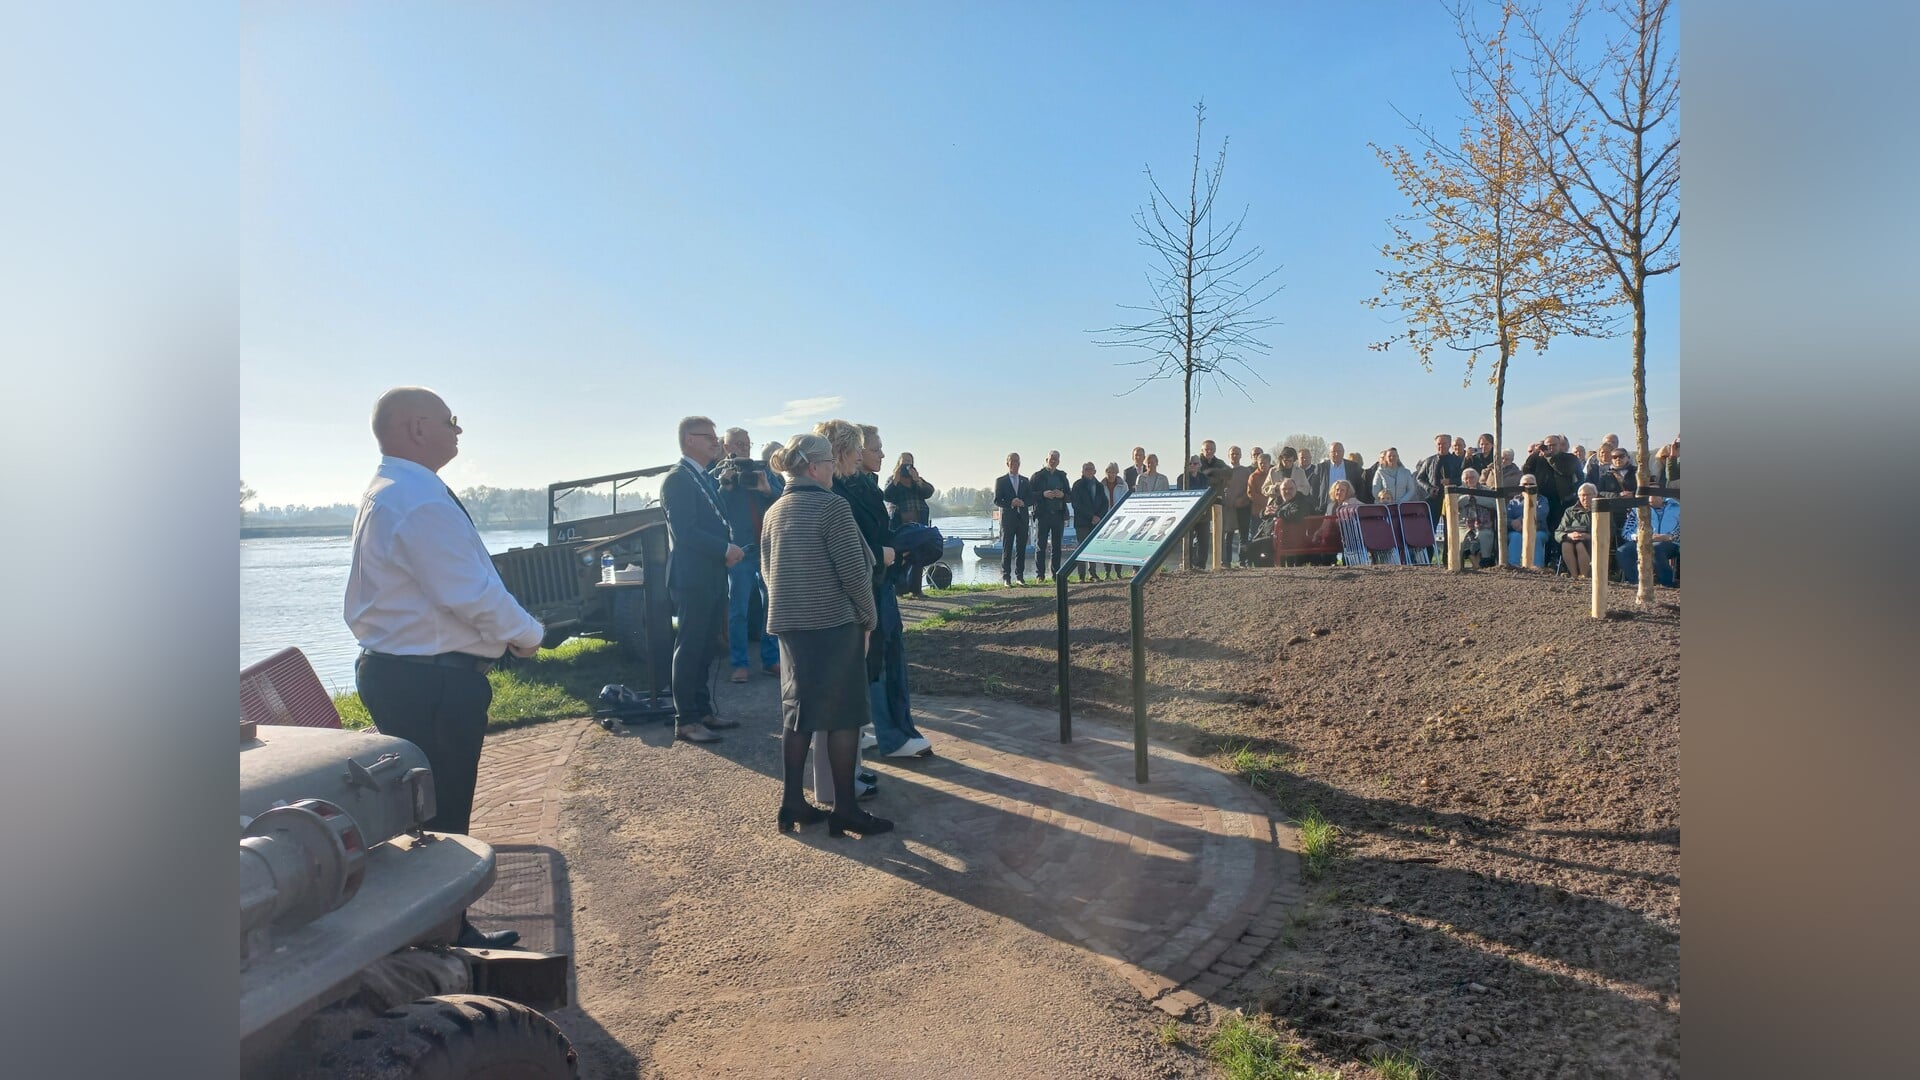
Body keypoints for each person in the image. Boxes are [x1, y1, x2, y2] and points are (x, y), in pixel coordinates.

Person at [346, 387, 544, 949]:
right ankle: (446, 938)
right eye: (450, 421)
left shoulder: (393, 489)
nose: (458, 431)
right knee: (442, 816)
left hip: (409, 672)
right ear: (415, 428)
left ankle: (441, 929)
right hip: (430, 679)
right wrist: (528, 635)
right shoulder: (417, 499)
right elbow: (470, 591)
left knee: (430, 814)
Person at [760, 432, 890, 838]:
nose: (835, 471)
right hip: (834, 625)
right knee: (843, 717)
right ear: (814, 468)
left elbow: (767, 571)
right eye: (831, 464)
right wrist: (869, 621)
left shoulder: (774, 512)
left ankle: (792, 802)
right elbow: (855, 574)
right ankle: (845, 809)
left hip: (790, 626)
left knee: (797, 715)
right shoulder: (832, 508)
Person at [662, 415, 746, 745]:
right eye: (708, 437)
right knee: (690, 646)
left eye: (715, 436)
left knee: (708, 645)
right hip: (692, 576)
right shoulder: (677, 479)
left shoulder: (703, 478)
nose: (715, 442)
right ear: (689, 440)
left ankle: (703, 709)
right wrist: (723, 547)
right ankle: (686, 719)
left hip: (711, 574)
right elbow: (685, 531)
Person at [856, 424, 933, 761]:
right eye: (876, 449)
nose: (882, 455)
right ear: (857, 452)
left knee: (871, 657)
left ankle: (858, 729)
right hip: (871, 584)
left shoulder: (861, 486)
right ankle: (892, 736)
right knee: (882, 657)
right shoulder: (858, 491)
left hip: (878, 580)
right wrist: (888, 549)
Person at [712, 427, 781, 684]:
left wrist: (766, 489)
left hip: (767, 547)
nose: (744, 448)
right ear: (726, 447)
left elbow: (783, 498)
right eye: (738, 444)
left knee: (770, 607)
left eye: (747, 444)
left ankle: (770, 659)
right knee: (738, 609)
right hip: (740, 550)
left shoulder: (764, 470)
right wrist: (725, 485)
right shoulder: (719, 475)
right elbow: (713, 508)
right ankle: (739, 663)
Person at [883, 451, 936, 597]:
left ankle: (916, 590)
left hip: (918, 520)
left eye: (910, 461)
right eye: (904, 461)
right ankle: (899, 588)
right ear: (898, 463)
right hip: (900, 521)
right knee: (899, 555)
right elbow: (887, 495)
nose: (907, 465)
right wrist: (896, 479)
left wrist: (917, 480)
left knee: (918, 554)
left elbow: (929, 491)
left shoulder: (917, 480)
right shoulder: (892, 480)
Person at [1618, 489, 1681, 588]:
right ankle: (1637, 583)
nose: (1651, 497)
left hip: (1670, 542)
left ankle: (1666, 584)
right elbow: (1626, 532)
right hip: (1642, 540)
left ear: (1662, 496)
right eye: (1648, 494)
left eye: (1654, 494)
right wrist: (1638, 537)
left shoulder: (1677, 508)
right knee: (1623, 551)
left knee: (1656, 548)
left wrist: (1669, 536)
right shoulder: (1637, 509)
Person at [1030, 449, 1072, 582]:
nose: (1053, 460)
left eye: (1056, 459)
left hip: (1058, 515)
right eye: (1051, 458)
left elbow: (1070, 496)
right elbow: (1029, 495)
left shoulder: (1062, 476)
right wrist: (1043, 494)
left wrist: (1062, 495)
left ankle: (1056, 575)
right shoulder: (1037, 476)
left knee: (1057, 546)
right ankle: (1040, 575)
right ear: (1046, 459)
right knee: (1041, 546)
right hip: (1043, 515)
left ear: (1059, 461)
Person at [993, 452, 1034, 583]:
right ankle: (1006, 577)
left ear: (1020, 463)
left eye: (1017, 461)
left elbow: (1031, 498)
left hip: (1022, 519)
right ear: (1007, 463)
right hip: (1008, 519)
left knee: (1021, 548)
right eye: (1012, 461)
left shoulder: (1025, 480)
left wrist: (1023, 503)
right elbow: (997, 500)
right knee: (1007, 548)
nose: (1015, 464)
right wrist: (1011, 503)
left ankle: (1020, 577)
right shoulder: (1001, 481)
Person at [1067, 461, 1110, 582]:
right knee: (1081, 549)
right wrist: (1091, 516)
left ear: (1095, 471)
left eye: (1091, 469)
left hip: (1096, 522)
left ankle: (1093, 573)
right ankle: (1081, 576)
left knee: (1093, 548)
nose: (1089, 471)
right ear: (1082, 471)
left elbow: (1105, 503)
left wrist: (1099, 517)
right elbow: (1076, 504)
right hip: (1082, 522)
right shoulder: (1077, 485)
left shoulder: (1099, 486)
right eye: (1087, 469)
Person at [1453, 468, 1500, 567]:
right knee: (1465, 539)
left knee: (1483, 536)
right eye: (1466, 478)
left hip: (1484, 525)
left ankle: (1482, 563)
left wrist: (1477, 498)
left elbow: (1494, 503)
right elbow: (1455, 504)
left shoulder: (1487, 490)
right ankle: (1475, 565)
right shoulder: (1458, 490)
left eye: (1472, 477)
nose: (1469, 480)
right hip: (1464, 525)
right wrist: (1468, 497)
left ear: (1477, 478)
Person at [1555, 483, 1600, 579]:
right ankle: (1574, 576)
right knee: (1566, 544)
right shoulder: (1570, 511)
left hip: (1593, 541)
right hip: (1572, 539)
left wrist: (1589, 536)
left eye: (1588, 495)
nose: (1585, 498)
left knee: (1580, 545)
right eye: (1582, 495)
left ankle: (1584, 576)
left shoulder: (1602, 510)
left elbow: (1611, 530)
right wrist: (1568, 536)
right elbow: (1558, 531)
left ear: (1595, 495)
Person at [1506, 474, 1550, 567]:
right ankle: (1514, 566)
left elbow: (1541, 514)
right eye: (1525, 484)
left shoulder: (1542, 500)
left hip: (1538, 530)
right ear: (1520, 486)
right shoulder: (1512, 502)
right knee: (1515, 537)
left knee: (1536, 537)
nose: (1528, 486)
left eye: (1531, 484)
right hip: (1516, 531)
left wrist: (1521, 521)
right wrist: (1512, 523)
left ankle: (1537, 567)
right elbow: (1506, 518)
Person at [1416, 433, 1464, 516]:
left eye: (1444, 444)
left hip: (1452, 498)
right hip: (1433, 498)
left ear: (1449, 444)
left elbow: (1463, 479)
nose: (1441, 446)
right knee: (1431, 525)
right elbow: (1419, 478)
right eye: (1439, 444)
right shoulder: (1429, 461)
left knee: (1450, 525)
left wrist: (1451, 481)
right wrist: (1429, 488)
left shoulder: (1458, 461)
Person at [1311, 442, 1366, 512]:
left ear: (1343, 452)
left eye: (1339, 451)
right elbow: (1314, 489)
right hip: (1326, 508)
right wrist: (1316, 506)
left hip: (1348, 508)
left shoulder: (1353, 466)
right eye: (1333, 452)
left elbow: (1360, 487)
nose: (1336, 454)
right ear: (1329, 453)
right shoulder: (1321, 467)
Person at [1098, 462, 1131, 579]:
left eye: (1113, 472)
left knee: (1118, 547)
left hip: (1119, 519)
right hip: (1105, 519)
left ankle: (1118, 572)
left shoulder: (1123, 485)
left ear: (1117, 473)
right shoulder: (1100, 485)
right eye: (1109, 472)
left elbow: (1126, 501)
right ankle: (1107, 572)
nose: (1111, 474)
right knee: (1106, 547)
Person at [1225, 445, 1253, 566]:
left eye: (1237, 454)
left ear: (1241, 456)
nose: (1235, 456)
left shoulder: (1246, 471)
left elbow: (1250, 489)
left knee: (1243, 536)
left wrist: (1243, 499)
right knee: (1228, 536)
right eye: (1232, 454)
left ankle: (1243, 561)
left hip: (1243, 507)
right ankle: (1226, 562)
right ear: (1229, 455)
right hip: (1229, 508)